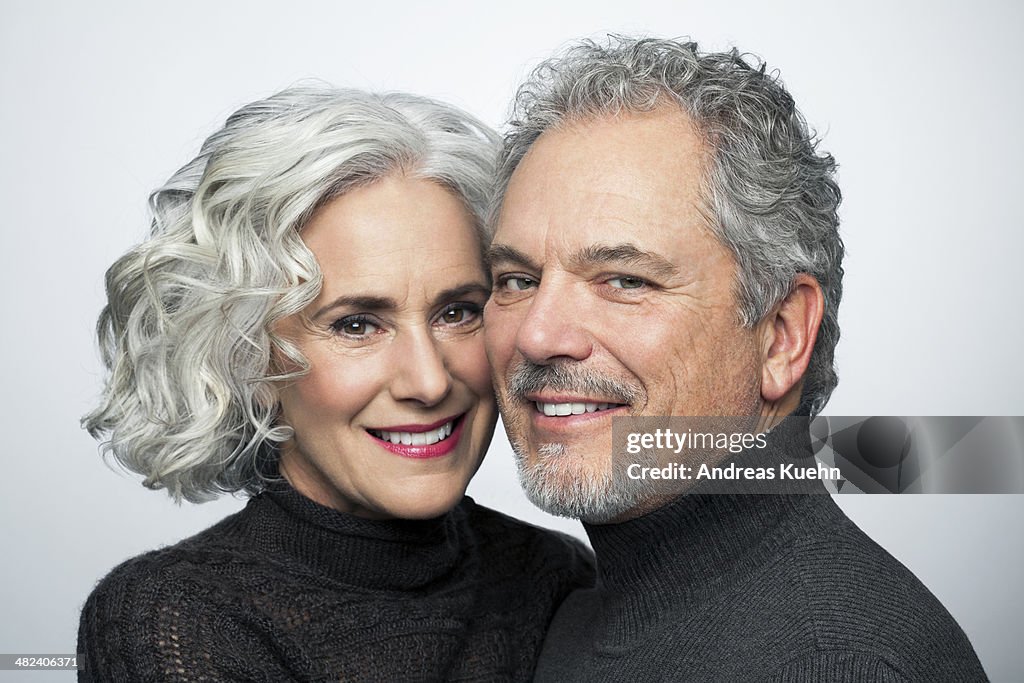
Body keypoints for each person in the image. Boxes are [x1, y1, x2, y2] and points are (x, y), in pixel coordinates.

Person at [484, 36, 987, 681]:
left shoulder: (840, 663)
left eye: (626, 280)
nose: (536, 335)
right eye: (517, 280)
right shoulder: (570, 613)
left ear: (780, 335)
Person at [79, 86, 593, 681]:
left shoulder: (556, 574)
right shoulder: (171, 615)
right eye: (356, 325)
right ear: (245, 355)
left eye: (458, 312)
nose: (427, 381)